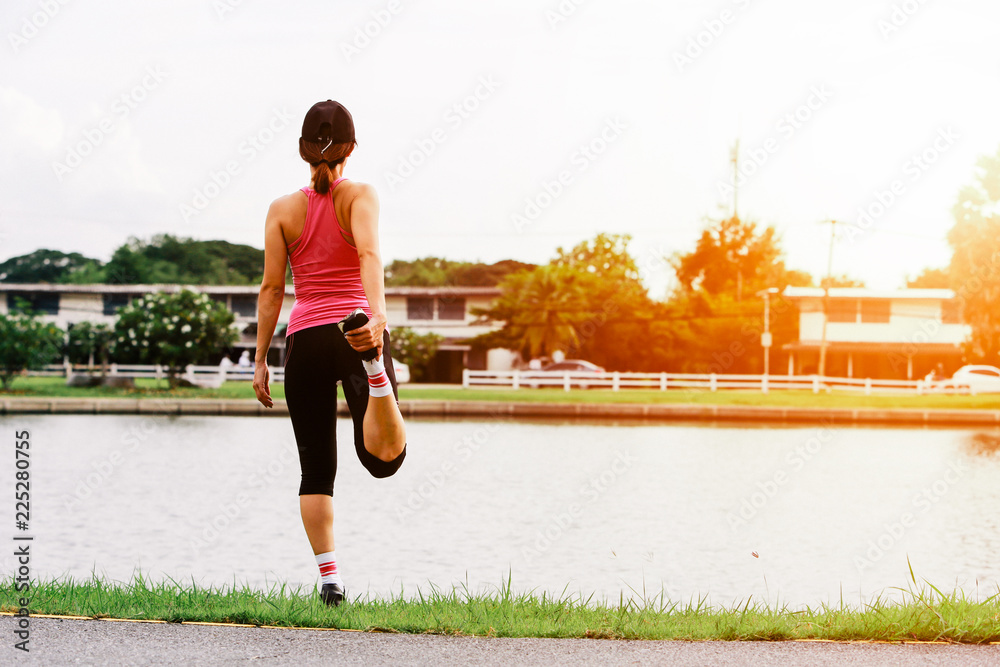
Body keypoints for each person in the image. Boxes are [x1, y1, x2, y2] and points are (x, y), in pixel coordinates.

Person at [252, 100, 407, 607]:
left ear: (302, 151)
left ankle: (329, 580)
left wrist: (259, 359)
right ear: (352, 149)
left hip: (304, 341)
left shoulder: (280, 210)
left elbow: (272, 288)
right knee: (384, 461)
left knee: (316, 470)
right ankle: (376, 376)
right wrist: (377, 320)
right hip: (355, 331)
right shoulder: (360, 195)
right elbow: (368, 254)